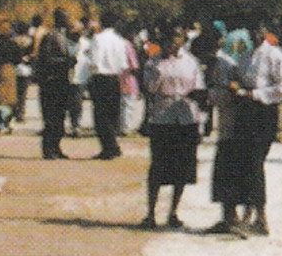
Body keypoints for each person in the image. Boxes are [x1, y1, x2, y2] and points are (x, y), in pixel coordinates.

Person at [141, 24, 205, 230]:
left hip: (186, 118)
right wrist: (160, 69)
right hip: (163, 117)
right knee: (158, 167)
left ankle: (173, 212)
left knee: (182, 169)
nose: (174, 43)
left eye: (178, 38)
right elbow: (149, 88)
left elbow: (199, 88)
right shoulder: (153, 63)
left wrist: (201, 120)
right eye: (171, 39)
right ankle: (150, 213)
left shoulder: (191, 62)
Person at [237, 25, 282, 236]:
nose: (255, 34)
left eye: (259, 30)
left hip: (264, 114)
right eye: (252, 30)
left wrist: (257, 94)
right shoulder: (245, 57)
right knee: (250, 164)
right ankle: (257, 216)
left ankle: (253, 215)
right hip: (246, 114)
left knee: (255, 162)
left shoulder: (274, 55)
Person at [205, 28, 253, 237]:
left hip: (236, 124)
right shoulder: (227, 62)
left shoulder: (224, 64)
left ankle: (239, 218)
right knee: (224, 170)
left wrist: (208, 97)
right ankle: (228, 216)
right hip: (227, 124)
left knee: (234, 170)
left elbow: (229, 92)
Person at [87, 14, 131, 159]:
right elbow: (123, 64)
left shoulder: (98, 39)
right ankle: (112, 146)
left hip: (100, 78)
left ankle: (109, 147)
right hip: (114, 78)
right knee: (112, 114)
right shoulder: (119, 40)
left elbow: (94, 60)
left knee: (101, 115)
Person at [33, 9, 75, 160]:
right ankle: (48, 148)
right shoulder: (50, 37)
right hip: (51, 82)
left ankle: (56, 147)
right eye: (65, 17)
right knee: (50, 117)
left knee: (60, 117)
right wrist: (65, 62)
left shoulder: (64, 36)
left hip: (61, 81)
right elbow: (46, 59)